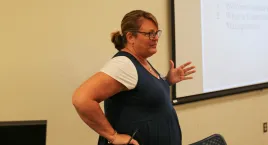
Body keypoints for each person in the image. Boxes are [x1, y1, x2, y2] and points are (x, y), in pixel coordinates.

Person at [72, 10, 196, 145]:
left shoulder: (142, 61)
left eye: (156, 33)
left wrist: (167, 80)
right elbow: (81, 99)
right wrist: (113, 136)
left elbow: (144, 95)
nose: (156, 38)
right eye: (150, 34)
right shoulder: (123, 64)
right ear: (130, 37)